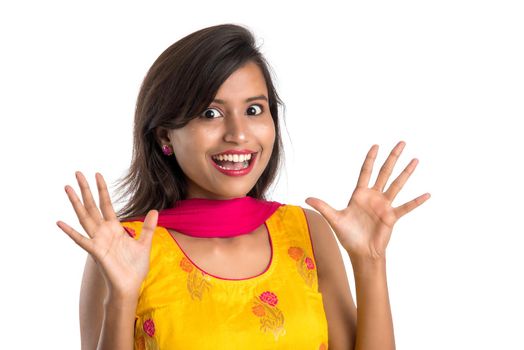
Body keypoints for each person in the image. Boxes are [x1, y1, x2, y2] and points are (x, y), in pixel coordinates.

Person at [56, 23, 430, 350]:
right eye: (211, 113)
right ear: (164, 135)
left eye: (254, 110)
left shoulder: (307, 232)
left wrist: (370, 262)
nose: (238, 134)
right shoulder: (124, 249)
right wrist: (121, 299)